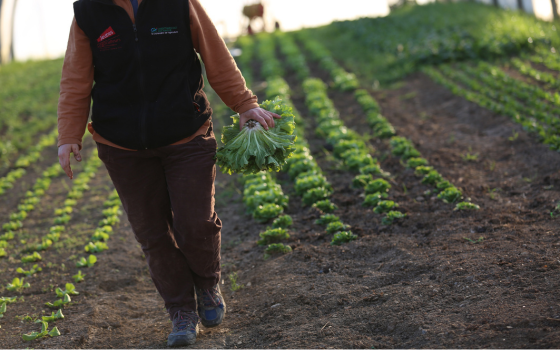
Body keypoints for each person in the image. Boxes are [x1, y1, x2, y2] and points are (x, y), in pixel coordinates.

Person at [57, 0, 280, 346]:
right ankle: (181, 312)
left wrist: (245, 103)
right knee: (153, 235)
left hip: (186, 134)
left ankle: (207, 284)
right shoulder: (89, 11)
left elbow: (214, 53)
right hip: (122, 145)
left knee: (195, 223)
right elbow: (75, 78)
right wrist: (68, 136)